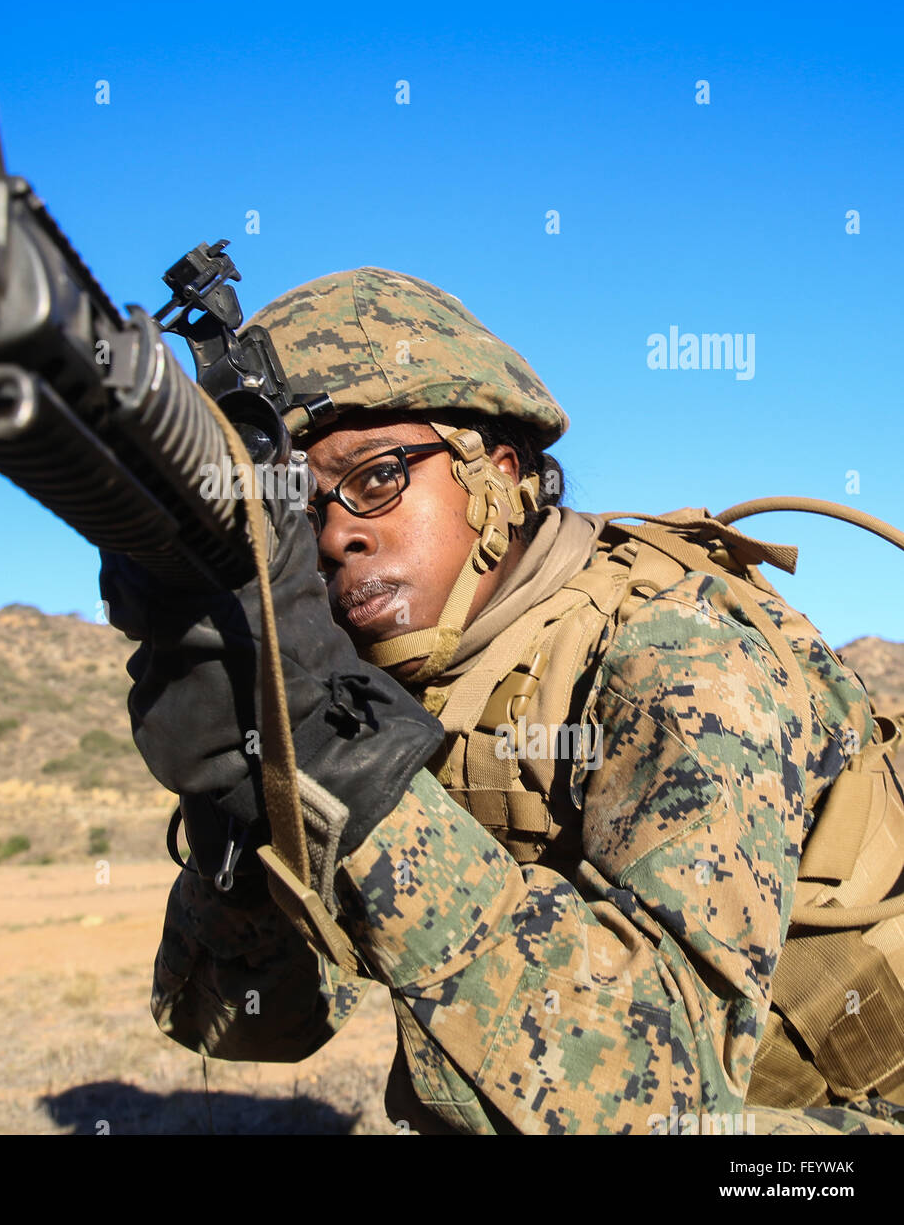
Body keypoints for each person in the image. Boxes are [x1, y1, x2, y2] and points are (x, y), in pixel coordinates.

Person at [100, 266, 904, 1135]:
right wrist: (243, 801)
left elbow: (663, 1100)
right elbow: (248, 1024)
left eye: (376, 478)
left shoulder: (681, 652)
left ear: (499, 472)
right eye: (298, 513)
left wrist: (351, 767)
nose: (337, 536)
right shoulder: (393, 683)